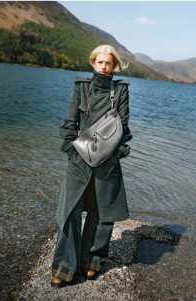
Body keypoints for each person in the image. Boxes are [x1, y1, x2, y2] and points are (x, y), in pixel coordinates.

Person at [51, 45, 132, 288]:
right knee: (70, 214)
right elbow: (69, 122)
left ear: (114, 65)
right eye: (100, 62)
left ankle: (91, 262)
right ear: (93, 63)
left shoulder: (120, 90)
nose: (104, 67)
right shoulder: (81, 87)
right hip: (79, 161)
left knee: (101, 215)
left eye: (109, 63)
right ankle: (64, 267)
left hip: (107, 164)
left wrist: (115, 155)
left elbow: (123, 128)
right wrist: (69, 150)